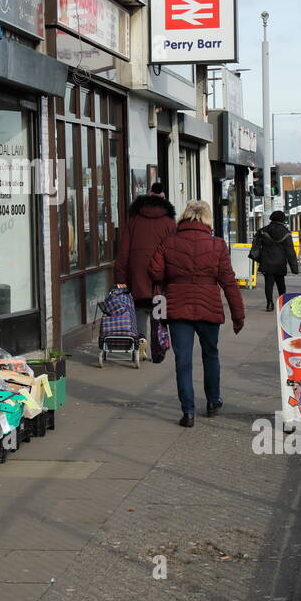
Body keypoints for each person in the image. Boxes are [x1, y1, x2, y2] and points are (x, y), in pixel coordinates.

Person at [149, 200, 246, 427]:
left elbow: (155, 271)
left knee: (183, 360)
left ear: (184, 217)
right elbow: (228, 282)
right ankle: (213, 401)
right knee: (210, 354)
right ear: (207, 218)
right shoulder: (217, 245)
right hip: (208, 307)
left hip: (178, 307)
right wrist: (238, 315)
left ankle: (188, 412)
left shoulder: (169, 242)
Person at [114, 181, 176, 358]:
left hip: (137, 273)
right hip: (160, 275)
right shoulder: (169, 222)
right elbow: (173, 250)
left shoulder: (133, 220)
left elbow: (123, 250)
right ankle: (158, 346)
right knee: (158, 309)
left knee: (140, 309)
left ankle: (141, 340)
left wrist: (120, 277)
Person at [251, 210, 299, 311]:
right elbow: (290, 252)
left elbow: (255, 246)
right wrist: (294, 268)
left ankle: (269, 304)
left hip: (267, 262)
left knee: (268, 284)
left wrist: (258, 259)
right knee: (281, 284)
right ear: (282, 220)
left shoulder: (263, 231)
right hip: (280, 263)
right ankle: (283, 304)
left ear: (271, 219)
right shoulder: (286, 233)